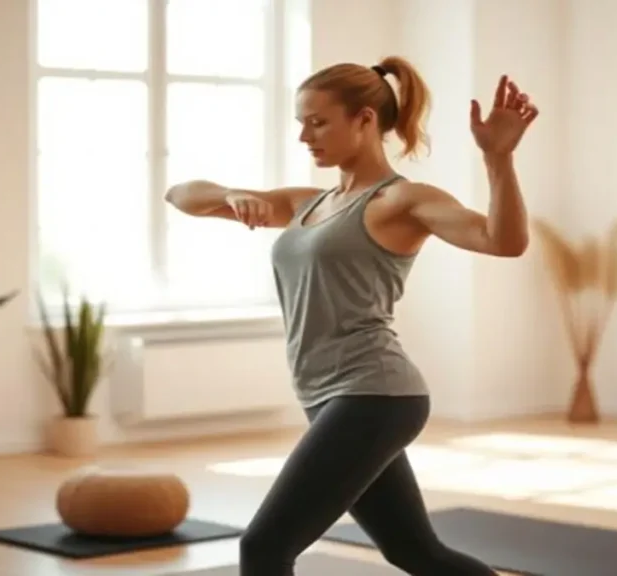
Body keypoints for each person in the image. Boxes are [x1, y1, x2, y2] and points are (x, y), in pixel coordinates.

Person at [165, 55, 537, 576]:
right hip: (328, 394)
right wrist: (230, 195)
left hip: (373, 393)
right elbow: (180, 194)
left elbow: (504, 241)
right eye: (301, 123)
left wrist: (498, 160)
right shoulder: (308, 204)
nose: (305, 137)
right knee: (416, 552)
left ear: (364, 120)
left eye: (318, 123)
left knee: (263, 548)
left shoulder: (400, 200)